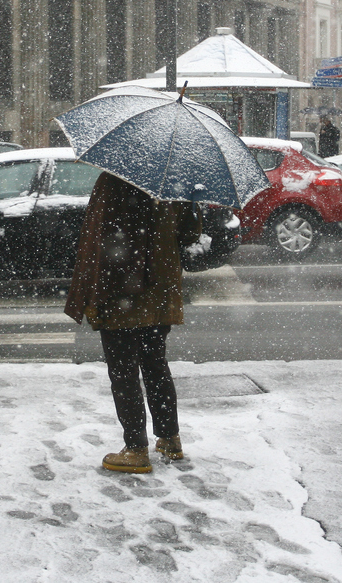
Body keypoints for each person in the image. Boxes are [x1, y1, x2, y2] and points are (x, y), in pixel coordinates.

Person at [64, 172, 203, 474]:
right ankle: (169, 438)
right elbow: (191, 234)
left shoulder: (113, 178)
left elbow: (96, 235)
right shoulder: (175, 178)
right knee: (155, 363)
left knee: (123, 369)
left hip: (120, 289)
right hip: (160, 287)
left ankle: (136, 448)